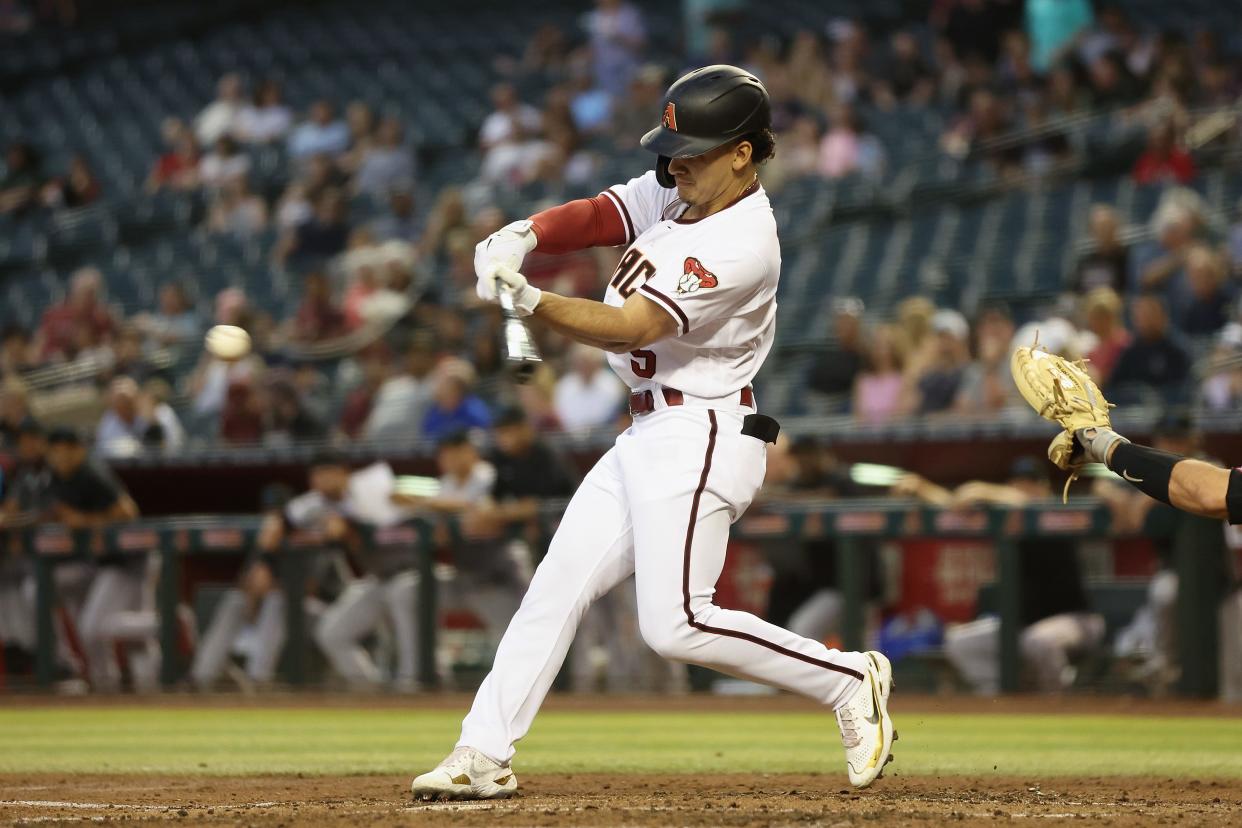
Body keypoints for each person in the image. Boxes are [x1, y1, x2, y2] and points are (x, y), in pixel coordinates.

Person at [410, 65, 895, 801]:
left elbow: (634, 326)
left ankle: (847, 677)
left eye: (694, 149)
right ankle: (482, 753)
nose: (675, 163)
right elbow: (604, 213)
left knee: (676, 625)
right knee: (555, 587)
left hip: (703, 430)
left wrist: (535, 298)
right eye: (673, 148)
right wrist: (524, 233)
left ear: (743, 152)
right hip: (646, 431)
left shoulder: (742, 239)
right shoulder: (684, 188)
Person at [895, 458, 1104, 693]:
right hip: (1022, 625)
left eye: (1030, 483)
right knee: (960, 643)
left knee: (1040, 641)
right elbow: (958, 507)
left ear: (1044, 488)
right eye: (1017, 483)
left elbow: (1027, 503)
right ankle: (1003, 701)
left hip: (1074, 619)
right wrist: (924, 489)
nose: (1022, 489)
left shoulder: (1053, 512)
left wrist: (983, 490)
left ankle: (1056, 704)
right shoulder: (1005, 517)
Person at [46, 428, 143, 692]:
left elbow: (128, 513)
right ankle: (97, 679)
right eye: (53, 451)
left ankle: (169, 623)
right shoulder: (56, 477)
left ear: (77, 449)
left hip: (127, 562)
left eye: (62, 450)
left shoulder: (93, 473)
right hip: (97, 565)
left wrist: (87, 522)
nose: (56, 457)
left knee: (98, 627)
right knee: (48, 591)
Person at [553, 344, 627, 432]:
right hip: (571, 436)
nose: (584, 366)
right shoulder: (564, 386)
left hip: (604, 434)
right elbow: (563, 415)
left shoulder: (611, 384)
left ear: (596, 363)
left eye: (588, 362)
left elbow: (610, 413)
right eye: (580, 362)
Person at [1068, 205, 1129, 295]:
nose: (1104, 232)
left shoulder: (1127, 258)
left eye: (1107, 227)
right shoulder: (1085, 261)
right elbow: (1072, 291)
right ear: (1092, 232)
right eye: (1099, 228)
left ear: (1115, 228)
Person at [194, 74, 245, 147]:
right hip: (210, 149)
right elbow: (199, 132)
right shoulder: (214, 109)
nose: (229, 93)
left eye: (234, 90)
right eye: (226, 89)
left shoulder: (248, 108)